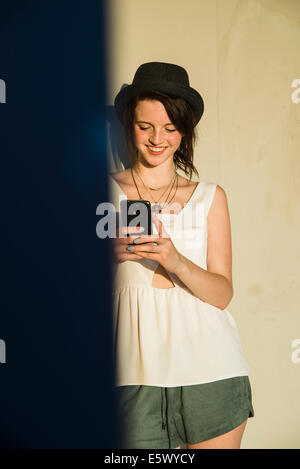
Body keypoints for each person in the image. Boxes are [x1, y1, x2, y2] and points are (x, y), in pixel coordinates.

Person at [109, 62, 254, 449]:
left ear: (184, 130)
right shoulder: (99, 194)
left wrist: (174, 258)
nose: (158, 139)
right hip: (131, 374)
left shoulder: (211, 197)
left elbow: (222, 294)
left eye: (171, 128)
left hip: (213, 372)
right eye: (146, 127)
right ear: (129, 124)